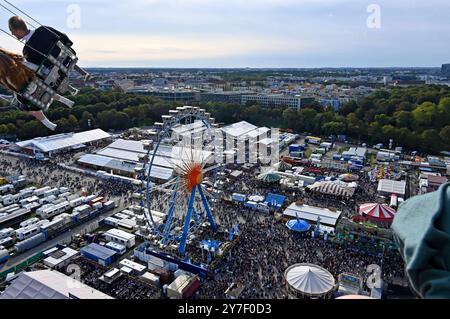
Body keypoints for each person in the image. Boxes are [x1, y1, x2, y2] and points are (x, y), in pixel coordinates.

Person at [8, 15, 90, 80]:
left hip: (57, 72)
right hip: (69, 57)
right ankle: (83, 72)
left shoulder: (27, 50)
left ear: (18, 31)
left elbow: (38, 68)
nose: (12, 34)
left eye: (12, 31)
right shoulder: (43, 29)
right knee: (61, 55)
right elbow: (65, 38)